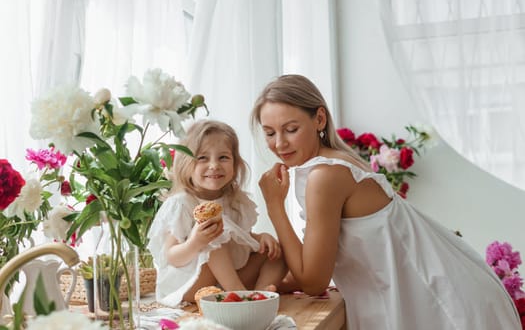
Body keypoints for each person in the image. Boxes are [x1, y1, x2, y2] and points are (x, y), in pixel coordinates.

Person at [251, 74, 521, 330]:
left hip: (446, 304)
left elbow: (313, 281)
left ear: (319, 119)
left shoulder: (325, 175)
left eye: (291, 129)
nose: (279, 144)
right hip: (447, 292)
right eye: (270, 133)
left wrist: (274, 205)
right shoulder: (332, 164)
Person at [148, 119, 287, 307]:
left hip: (225, 280)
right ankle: (241, 298)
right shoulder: (182, 203)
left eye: (223, 157)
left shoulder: (235, 201)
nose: (214, 165)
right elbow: (171, 256)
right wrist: (195, 242)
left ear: (235, 163)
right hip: (191, 283)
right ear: (186, 164)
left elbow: (238, 238)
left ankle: (260, 296)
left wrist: (260, 237)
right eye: (203, 158)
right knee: (215, 235)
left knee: (277, 251)